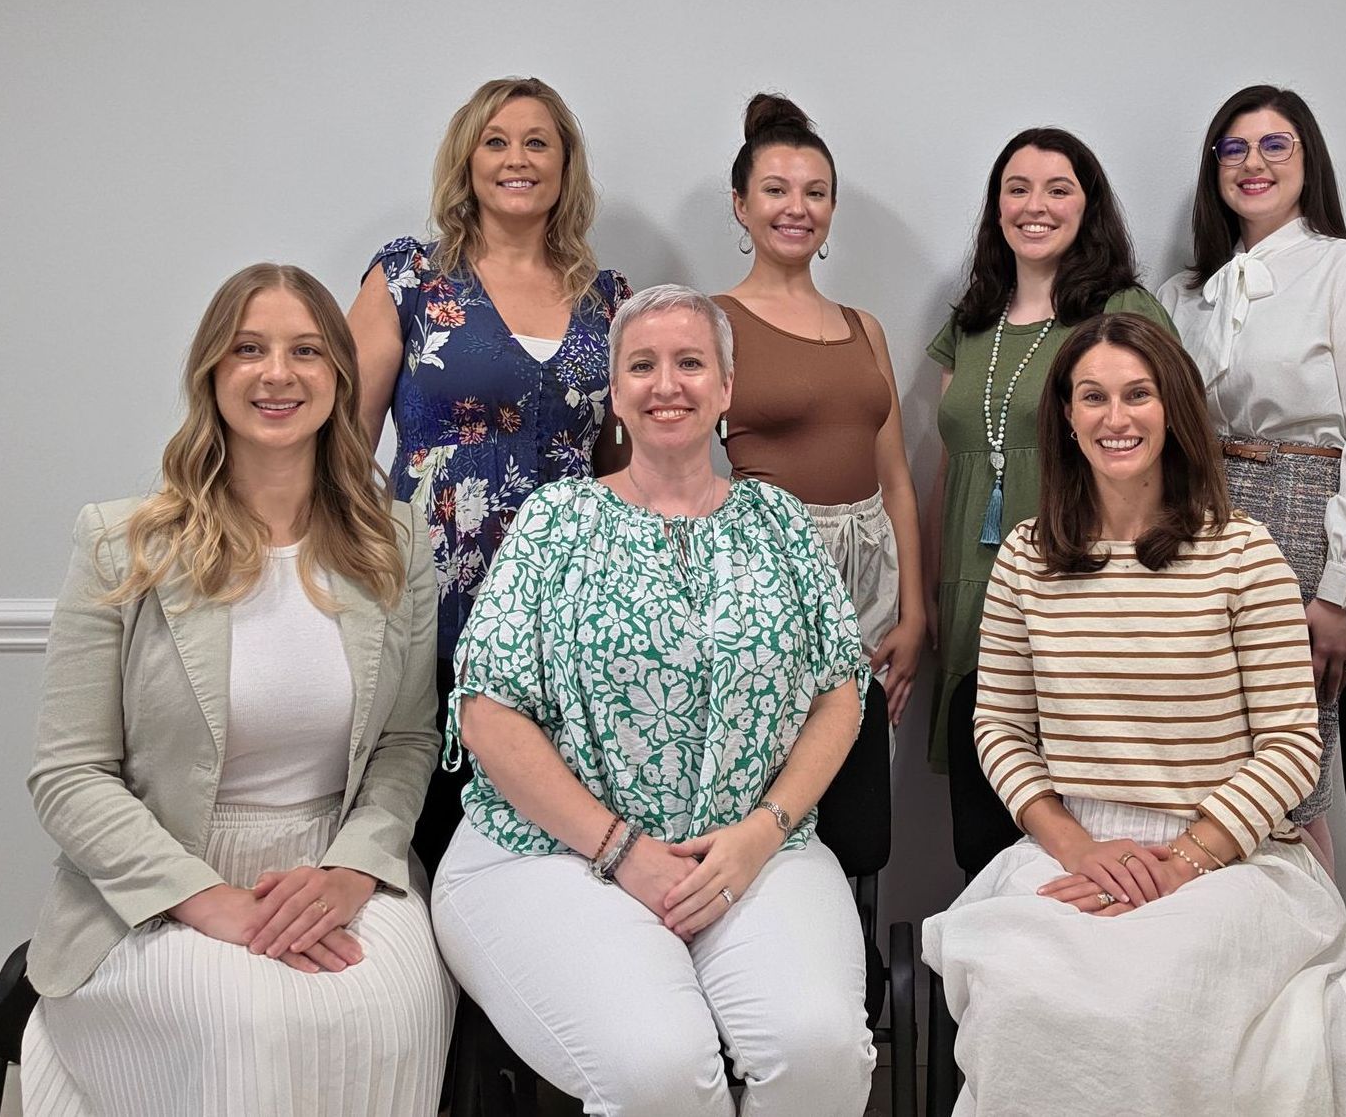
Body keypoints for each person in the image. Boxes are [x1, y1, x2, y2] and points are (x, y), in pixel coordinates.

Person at [429, 285, 876, 1115]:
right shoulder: (555, 522)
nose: (667, 384)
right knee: (660, 1069)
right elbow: (487, 709)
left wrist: (760, 832)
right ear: (616, 389)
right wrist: (621, 849)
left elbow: (841, 689)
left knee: (820, 1053)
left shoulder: (779, 522)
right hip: (553, 854)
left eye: (690, 363)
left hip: (754, 847)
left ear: (727, 388)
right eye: (642, 365)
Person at [21, 264, 454, 1116]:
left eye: (306, 351)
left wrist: (351, 871)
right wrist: (206, 900)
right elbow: (68, 774)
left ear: (340, 374)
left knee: (385, 1012)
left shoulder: (395, 542)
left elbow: (407, 743)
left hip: (340, 862)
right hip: (156, 882)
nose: (277, 373)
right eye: (248, 349)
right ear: (211, 373)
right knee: (254, 1024)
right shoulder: (120, 544)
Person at [923, 311, 1346, 1114]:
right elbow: (1000, 728)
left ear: (1174, 409)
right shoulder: (1026, 557)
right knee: (1030, 1005)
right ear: (1066, 415)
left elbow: (1292, 745)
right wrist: (1078, 847)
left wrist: (1183, 859)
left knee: (1165, 1009)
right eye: (1092, 396)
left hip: (1227, 856)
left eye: (1138, 394)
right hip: (1073, 847)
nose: (1115, 417)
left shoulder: (1243, 552)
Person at [346, 75, 631, 870]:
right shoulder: (408, 278)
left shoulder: (609, 302)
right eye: (496, 141)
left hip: (568, 614)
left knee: (551, 843)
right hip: (432, 604)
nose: (517, 159)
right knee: (433, 832)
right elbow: (341, 447)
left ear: (565, 166)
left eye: (538, 143)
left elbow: (624, 470)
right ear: (466, 161)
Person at [1155, 85, 1346, 870]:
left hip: (1307, 510)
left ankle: (1310, 933)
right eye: (1233, 148)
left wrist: (1343, 591)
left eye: (1276, 145)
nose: (1254, 163)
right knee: (1215, 766)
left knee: (1292, 770)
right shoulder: (1185, 294)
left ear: (1309, 160)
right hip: (1201, 517)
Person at [927, 126, 1178, 876]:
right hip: (974, 576)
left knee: (1082, 774)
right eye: (1018, 189)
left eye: (1057, 189)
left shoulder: (1122, 307)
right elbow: (951, 458)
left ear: (1087, 205)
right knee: (987, 790)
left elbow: (1169, 441)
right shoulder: (972, 319)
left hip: (1080, 578)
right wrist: (935, 592)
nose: (1035, 206)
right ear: (996, 206)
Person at [715, 93, 925, 828]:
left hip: (871, 566)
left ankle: (852, 901)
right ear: (741, 205)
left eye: (815, 193)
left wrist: (914, 612)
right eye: (775, 190)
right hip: (770, 564)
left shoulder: (864, 327)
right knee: (767, 765)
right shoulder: (713, 322)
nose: (796, 209)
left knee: (860, 774)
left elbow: (895, 479)